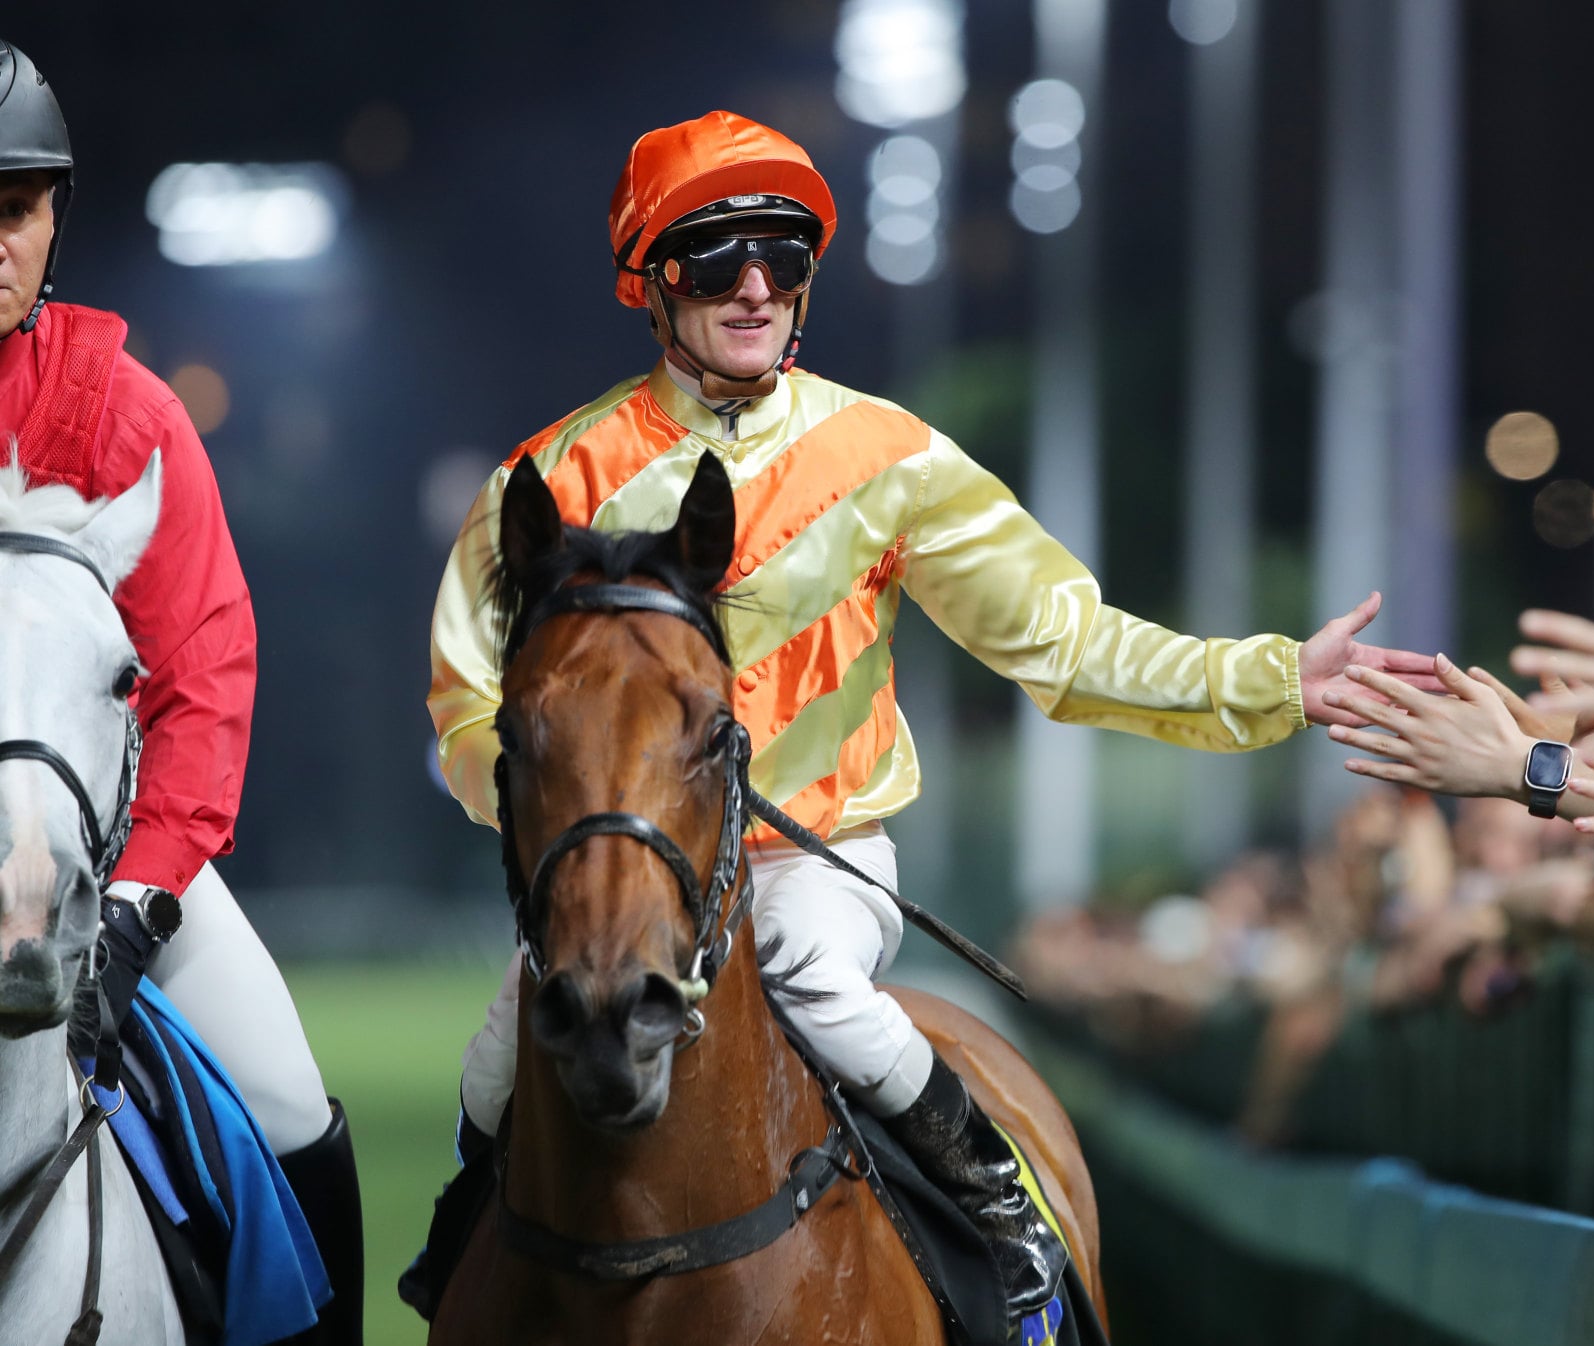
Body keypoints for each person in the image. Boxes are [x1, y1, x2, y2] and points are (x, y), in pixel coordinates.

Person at [411, 109, 1441, 1325]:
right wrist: (573, 825)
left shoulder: (888, 458)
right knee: (498, 1060)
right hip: (624, 875)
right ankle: (460, 1253)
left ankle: (1006, 1226)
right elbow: (465, 706)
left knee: (807, 975)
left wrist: (1275, 678)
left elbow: (1065, 641)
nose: (753, 286)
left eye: (782, 258)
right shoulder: (547, 477)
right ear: (651, 280)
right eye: (715, 256)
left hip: (814, 863)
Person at [0, 41, 363, 1344]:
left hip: (122, 865)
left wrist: (141, 908)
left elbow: (202, 683)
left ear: (52, 221)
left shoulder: (131, 419)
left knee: (290, 1108)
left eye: (16, 210)